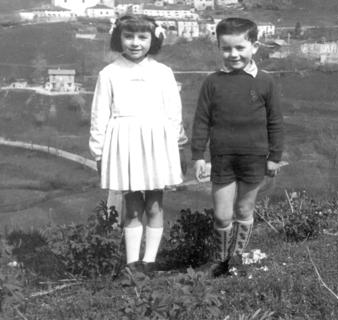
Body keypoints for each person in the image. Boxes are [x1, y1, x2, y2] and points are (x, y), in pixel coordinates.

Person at [89, 14, 186, 274]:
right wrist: (99, 153)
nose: (135, 43)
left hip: (156, 143)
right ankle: (132, 264)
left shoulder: (163, 72)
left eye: (142, 37)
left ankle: (150, 261)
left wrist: (178, 144)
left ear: (152, 39)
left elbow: (173, 111)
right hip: (125, 144)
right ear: (118, 37)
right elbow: (99, 115)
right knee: (132, 208)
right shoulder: (109, 73)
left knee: (155, 204)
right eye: (128, 36)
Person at [191, 17, 284, 277]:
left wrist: (274, 156)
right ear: (219, 48)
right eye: (226, 48)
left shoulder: (265, 82)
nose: (233, 54)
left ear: (254, 46)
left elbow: (275, 121)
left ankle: (238, 259)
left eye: (240, 48)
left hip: (254, 158)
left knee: (244, 209)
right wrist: (197, 155)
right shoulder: (212, 82)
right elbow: (201, 120)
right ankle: (219, 261)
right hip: (222, 158)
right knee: (221, 215)